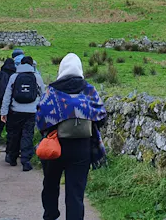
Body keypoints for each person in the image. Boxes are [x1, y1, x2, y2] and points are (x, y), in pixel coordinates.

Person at [36, 53, 107, 220]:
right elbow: (102, 116)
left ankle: (50, 215)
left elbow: (40, 117)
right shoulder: (89, 90)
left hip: (55, 146)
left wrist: (55, 126)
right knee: (75, 192)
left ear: (62, 69)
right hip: (81, 148)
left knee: (50, 184)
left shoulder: (53, 90)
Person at [0, 56, 44, 169]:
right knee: (27, 134)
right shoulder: (37, 77)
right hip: (31, 111)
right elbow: (43, 95)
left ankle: (12, 158)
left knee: (15, 134)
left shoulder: (14, 77)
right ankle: (25, 161)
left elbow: (7, 95)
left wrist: (3, 112)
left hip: (15, 110)